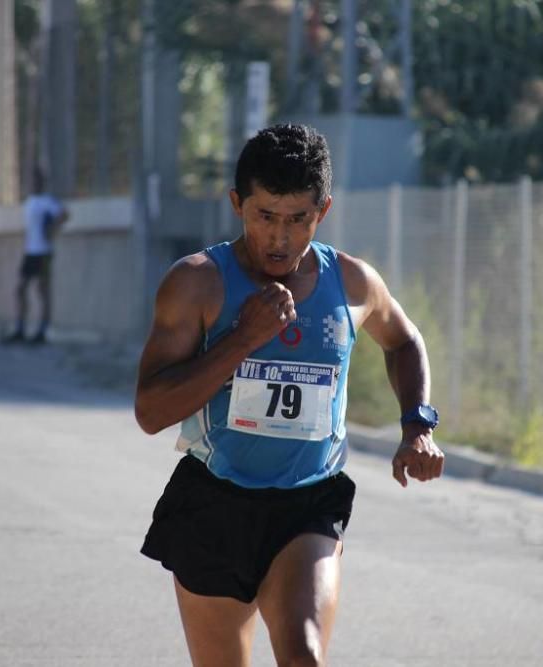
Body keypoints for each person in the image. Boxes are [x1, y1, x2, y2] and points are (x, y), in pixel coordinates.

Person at [135, 124, 445, 667]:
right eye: (265, 217)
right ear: (237, 204)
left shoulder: (352, 283)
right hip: (215, 500)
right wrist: (243, 339)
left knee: (304, 655)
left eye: (297, 219)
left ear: (322, 210)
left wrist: (418, 426)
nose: (280, 238)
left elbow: (403, 339)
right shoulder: (197, 284)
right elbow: (151, 412)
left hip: (308, 503)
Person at [4, 169, 69, 344]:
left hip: (44, 252)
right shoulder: (29, 202)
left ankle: (42, 330)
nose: (33, 184)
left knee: (42, 290)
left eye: (36, 181)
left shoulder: (48, 201)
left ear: (42, 182)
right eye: (31, 181)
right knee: (20, 289)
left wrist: (52, 230)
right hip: (30, 251)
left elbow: (64, 214)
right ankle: (20, 327)